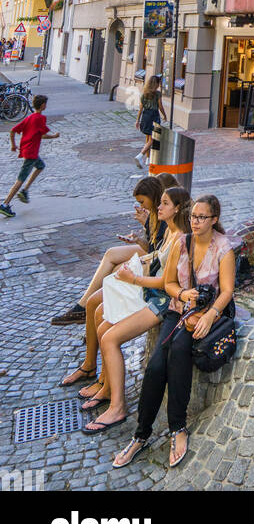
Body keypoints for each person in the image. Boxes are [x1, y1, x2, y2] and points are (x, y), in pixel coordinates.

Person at [112, 193, 236, 471]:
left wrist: (211, 315)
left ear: (214, 219)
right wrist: (182, 292)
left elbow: (227, 290)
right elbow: (167, 283)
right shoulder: (182, 242)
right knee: (156, 366)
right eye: (193, 216)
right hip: (177, 310)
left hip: (204, 315)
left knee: (178, 353)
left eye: (202, 218)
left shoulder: (223, 247)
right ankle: (140, 436)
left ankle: (178, 428)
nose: (195, 222)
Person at [79, 186, 191, 434]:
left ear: (177, 209)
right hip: (151, 294)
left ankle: (118, 407)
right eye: (159, 202)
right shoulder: (171, 233)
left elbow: (166, 283)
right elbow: (156, 258)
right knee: (101, 319)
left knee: (109, 338)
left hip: (161, 301)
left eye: (164, 204)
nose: (158, 207)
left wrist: (132, 279)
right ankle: (107, 387)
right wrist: (138, 263)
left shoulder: (179, 237)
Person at [55, 176, 165, 340]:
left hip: (157, 258)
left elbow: (157, 250)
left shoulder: (162, 214)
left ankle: (95, 315)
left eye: (143, 202)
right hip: (154, 252)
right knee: (111, 253)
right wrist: (140, 235)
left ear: (153, 197)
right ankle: (83, 307)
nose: (141, 206)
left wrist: (147, 224)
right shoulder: (154, 212)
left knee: (116, 269)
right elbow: (152, 244)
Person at [0, 94, 59, 217]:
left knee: (41, 166)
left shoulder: (29, 117)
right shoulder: (40, 118)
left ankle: (25, 191)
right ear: (43, 105)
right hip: (31, 153)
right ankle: (5, 204)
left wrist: (13, 145)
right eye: (45, 103)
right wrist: (54, 136)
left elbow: (12, 131)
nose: (46, 105)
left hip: (28, 151)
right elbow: (43, 135)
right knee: (20, 179)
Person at [135, 75, 166, 169]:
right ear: (156, 84)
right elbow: (160, 106)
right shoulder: (157, 94)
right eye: (159, 83)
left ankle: (148, 159)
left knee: (148, 137)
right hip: (154, 116)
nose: (159, 85)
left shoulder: (144, 93)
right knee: (154, 138)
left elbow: (140, 108)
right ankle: (141, 155)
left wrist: (137, 120)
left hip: (145, 116)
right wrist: (164, 115)